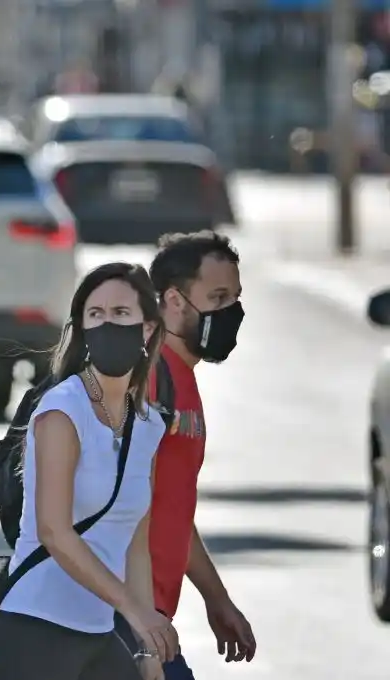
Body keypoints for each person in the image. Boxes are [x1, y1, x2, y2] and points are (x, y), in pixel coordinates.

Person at [0, 262, 176, 680]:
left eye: (121, 314)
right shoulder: (61, 409)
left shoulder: (148, 425)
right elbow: (54, 531)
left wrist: (147, 648)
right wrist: (132, 609)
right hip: (34, 633)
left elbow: (135, 544)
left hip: (99, 635)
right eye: (96, 315)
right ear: (83, 329)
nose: (108, 325)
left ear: (147, 328)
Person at [118, 231, 255, 680]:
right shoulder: (150, 377)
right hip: (121, 619)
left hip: (146, 617)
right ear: (173, 301)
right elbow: (130, 503)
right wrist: (141, 626)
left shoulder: (180, 379)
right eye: (217, 297)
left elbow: (171, 507)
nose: (231, 312)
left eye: (234, 297)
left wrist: (216, 599)